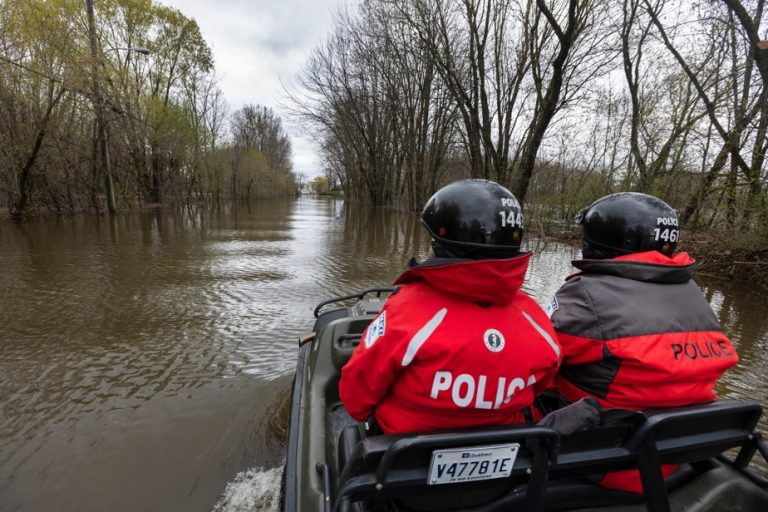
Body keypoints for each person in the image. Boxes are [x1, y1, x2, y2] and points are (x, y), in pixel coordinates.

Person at [547, 191, 739, 492]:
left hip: (608, 461)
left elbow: (540, 357)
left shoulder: (586, 294)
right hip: (678, 452)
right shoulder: (692, 292)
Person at [339, 179, 562, 435]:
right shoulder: (537, 321)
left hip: (403, 463)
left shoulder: (407, 311)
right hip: (506, 463)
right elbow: (541, 385)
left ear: (440, 244)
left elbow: (355, 398)